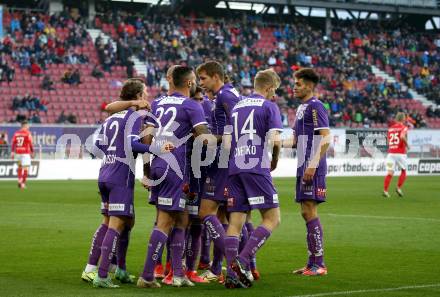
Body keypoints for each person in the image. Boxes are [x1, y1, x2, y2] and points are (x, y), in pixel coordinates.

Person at [82, 78, 169, 288]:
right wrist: (157, 149)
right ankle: (103, 275)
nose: (147, 95)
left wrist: (114, 153)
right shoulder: (131, 115)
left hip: (105, 172)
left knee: (123, 222)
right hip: (121, 175)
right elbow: (132, 145)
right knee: (117, 223)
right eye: (145, 92)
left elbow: (98, 146)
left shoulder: (111, 118)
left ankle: (104, 269)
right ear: (138, 96)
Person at [138, 66, 212, 288]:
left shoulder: (158, 103)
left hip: (159, 165)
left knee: (181, 219)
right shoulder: (192, 105)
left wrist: (147, 168)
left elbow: (146, 138)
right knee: (165, 221)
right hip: (175, 167)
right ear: (190, 83)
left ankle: (178, 274)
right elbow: (205, 139)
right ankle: (147, 275)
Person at [223, 69, 283, 288]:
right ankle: (242, 260)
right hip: (256, 166)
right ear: (268, 87)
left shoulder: (237, 106)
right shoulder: (269, 107)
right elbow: (275, 140)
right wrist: (274, 160)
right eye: (274, 90)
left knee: (235, 222)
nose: (274, 95)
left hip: (234, 167)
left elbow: (228, 143)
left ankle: (232, 274)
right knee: (272, 218)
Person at [196, 61, 240, 282]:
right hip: (221, 158)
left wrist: (213, 139)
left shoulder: (226, 95)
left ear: (215, 76)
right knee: (221, 216)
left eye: (203, 78)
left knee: (205, 212)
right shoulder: (222, 95)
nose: (200, 83)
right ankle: (216, 269)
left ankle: (236, 263)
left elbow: (239, 127)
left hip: (224, 159)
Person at [290, 68, 331, 276]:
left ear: (308, 85)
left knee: (310, 210)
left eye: (297, 84)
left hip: (311, 166)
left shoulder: (315, 106)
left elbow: (325, 137)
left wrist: (313, 164)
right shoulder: (302, 108)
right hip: (303, 164)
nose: (294, 87)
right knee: (305, 211)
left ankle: (319, 264)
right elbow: (295, 140)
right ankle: (312, 262)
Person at [383, 112, 409, 198]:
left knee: (390, 173)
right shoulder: (404, 127)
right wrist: (407, 145)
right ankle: (398, 188)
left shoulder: (390, 129)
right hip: (400, 153)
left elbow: (388, 141)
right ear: (403, 119)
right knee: (403, 171)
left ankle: (385, 191)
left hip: (391, 153)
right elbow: (402, 137)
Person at [11, 121, 34, 189]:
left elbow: (13, 143)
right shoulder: (28, 133)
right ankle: (23, 183)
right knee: (26, 168)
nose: (28, 127)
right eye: (27, 126)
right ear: (24, 126)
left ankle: (19, 179)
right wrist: (32, 152)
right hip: (25, 153)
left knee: (20, 167)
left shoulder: (16, 133)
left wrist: (12, 152)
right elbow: (30, 143)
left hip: (18, 153)